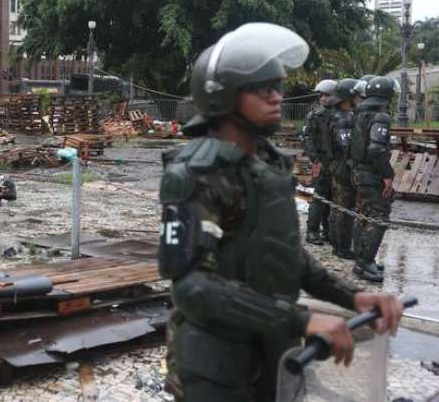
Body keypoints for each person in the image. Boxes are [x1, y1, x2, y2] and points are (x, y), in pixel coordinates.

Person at [159, 23, 404, 401]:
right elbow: (193, 288)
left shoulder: (266, 165)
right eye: (262, 89)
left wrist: (352, 297)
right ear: (223, 96)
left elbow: (282, 253)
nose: (276, 97)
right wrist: (303, 320)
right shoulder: (197, 174)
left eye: (278, 87)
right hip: (217, 369)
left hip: (276, 355)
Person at [350, 76, 395, 283]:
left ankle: (361, 262)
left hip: (358, 171)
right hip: (372, 174)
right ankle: (365, 262)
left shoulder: (358, 113)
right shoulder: (380, 116)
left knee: (362, 215)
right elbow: (376, 149)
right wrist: (388, 175)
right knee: (380, 218)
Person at [327, 78, 358, 259]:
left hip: (336, 166)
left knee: (338, 207)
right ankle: (342, 247)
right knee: (344, 208)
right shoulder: (343, 119)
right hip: (343, 168)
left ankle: (337, 244)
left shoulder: (335, 115)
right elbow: (346, 147)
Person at [303, 78, 337, 245]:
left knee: (331, 197)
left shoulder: (340, 114)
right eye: (321, 95)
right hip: (322, 161)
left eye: (327, 95)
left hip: (336, 162)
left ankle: (328, 231)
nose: (324, 98)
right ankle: (312, 231)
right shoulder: (314, 115)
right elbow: (307, 139)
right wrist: (315, 159)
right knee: (319, 198)